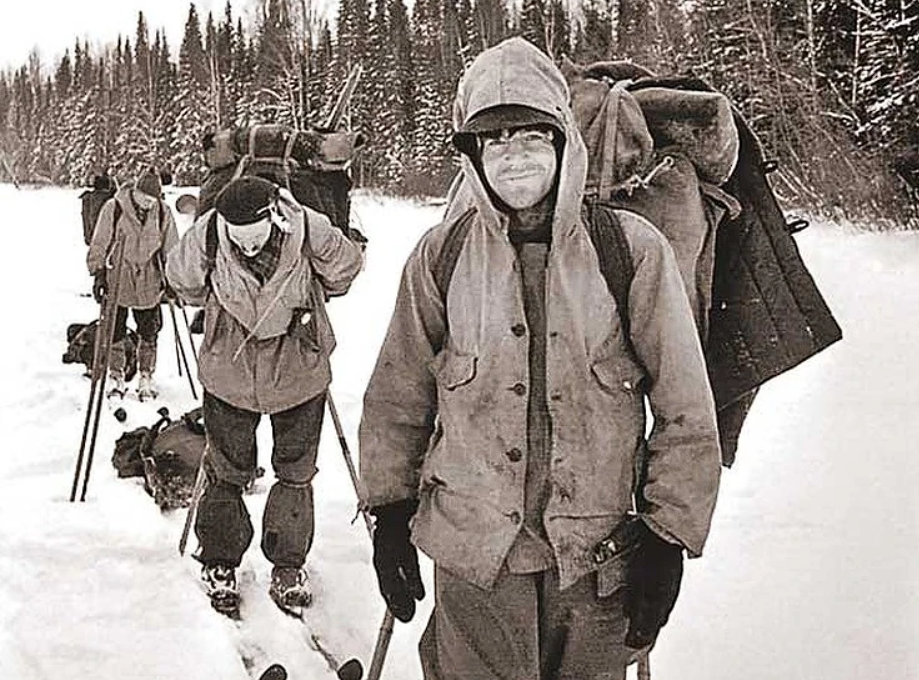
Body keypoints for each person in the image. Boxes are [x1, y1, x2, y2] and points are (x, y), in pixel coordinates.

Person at [358, 37, 722, 680]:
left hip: (597, 565)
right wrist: (388, 512)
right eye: (494, 141)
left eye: (531, 135)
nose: (514, 156)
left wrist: (668, 538)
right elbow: (398, 398)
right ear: (471, 156)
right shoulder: (440, 257)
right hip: (475, 561)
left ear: (563, 143)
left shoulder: (631, 251)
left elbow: (685, 407)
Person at [165, 176, 363, 616]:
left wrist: (319, 232)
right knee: (226, 469)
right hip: (229, 375)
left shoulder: (305, 228)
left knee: (295, 471)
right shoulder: (210, 235)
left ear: (274, 216)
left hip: (298, 371)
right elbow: (182, 281)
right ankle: (220, 560)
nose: (249, 248)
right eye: (240, 239)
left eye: (256, 237)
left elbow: (346, 270)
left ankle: (288, 564)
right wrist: (204, 250)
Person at [86, 167, 178, 401]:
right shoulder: (114, 208)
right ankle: (117, 375)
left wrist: (173, 279)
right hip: (119, 277)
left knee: (149, 331)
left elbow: (171, 248)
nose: (149, 203)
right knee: (115, 331)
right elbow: (99, 242)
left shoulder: (163, 213)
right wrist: (98, 272)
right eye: (146, 198)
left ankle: (146, 375)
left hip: (149, 280)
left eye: (153, 199)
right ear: (136, 191)